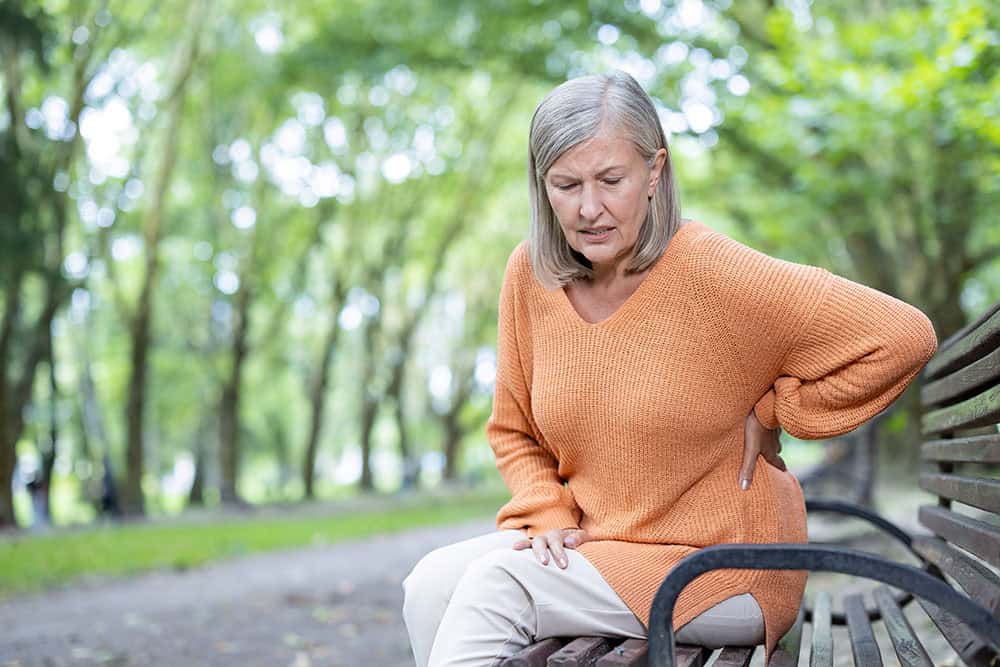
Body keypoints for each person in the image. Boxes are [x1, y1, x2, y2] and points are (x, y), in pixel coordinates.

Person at [402, 70, 938, 667]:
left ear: (655, 171)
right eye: (565, 184)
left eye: (611, 180)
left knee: (497, 587)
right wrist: (544, 506)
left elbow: (900, 335)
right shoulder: (531, 276)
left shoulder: (709, 271)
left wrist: (773, 409)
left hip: (723, 565)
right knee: (428, 584)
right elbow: (514, 429)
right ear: (540, 186)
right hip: (601, 546)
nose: (588, 208)